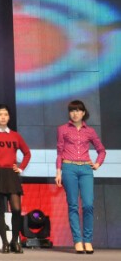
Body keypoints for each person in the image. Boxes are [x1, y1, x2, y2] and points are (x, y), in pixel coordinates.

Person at [55, 100, 106, 254]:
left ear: (83, 113)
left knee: (88, 205)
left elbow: (101, 150)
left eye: (78, 110)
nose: (75, 113)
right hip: (68, 167)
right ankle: (77, 240)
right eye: (72, 111)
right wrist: (58, 172)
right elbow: (60, 152)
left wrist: (97, 164)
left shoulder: (90, 131)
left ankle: (88, 240)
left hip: (85, 169)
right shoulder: (62, 129)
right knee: (73, 205)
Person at [0, 104, 31, 254]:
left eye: (5, 114)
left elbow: (27, 153)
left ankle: (14, 241)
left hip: (11, 174)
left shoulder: (15, 135)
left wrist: (20, 168)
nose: (3, 117)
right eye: (0, 114)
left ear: (9, 117)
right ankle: (4, 243)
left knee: (16, 209)